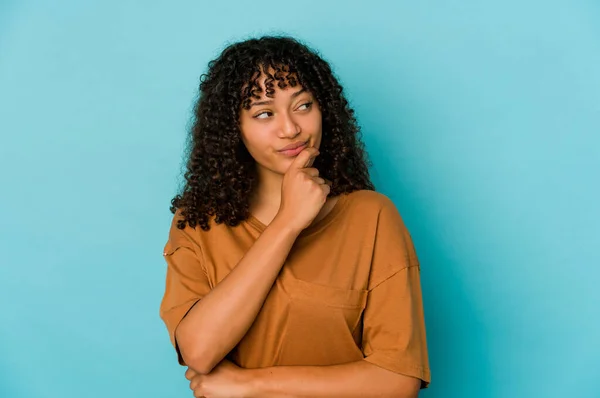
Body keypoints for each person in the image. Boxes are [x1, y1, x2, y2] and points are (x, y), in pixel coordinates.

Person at [159, 35, 431, 397]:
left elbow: (398, 379)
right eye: (264, 113)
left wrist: (250, 385)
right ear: (233, 129)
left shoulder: (372, 216)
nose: (290, 129)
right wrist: (287, 223)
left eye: (303, 106)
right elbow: (199, 351)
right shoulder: (197, 222)